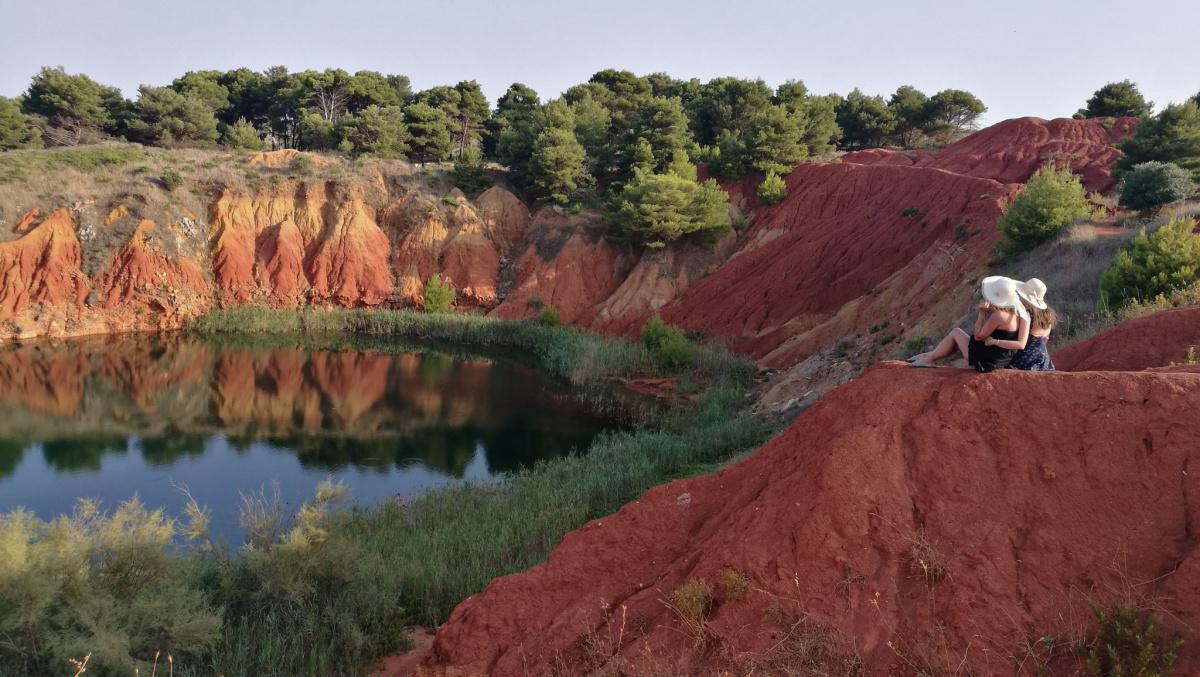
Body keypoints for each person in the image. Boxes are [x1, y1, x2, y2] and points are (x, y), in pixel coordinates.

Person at [908, 276, 1030, 372]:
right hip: (1002, 359)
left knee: (956, 332)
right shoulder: (1021, 313)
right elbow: (1020, 343)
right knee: (957, 339)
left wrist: (981, 314)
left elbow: (978, 336)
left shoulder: (999, 316)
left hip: (986, 361)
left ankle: (928, 360)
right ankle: (929, 355)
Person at [1006, 278, 1056, 371]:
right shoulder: (1048, 313)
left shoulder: (1026, 314)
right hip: (1043, 358)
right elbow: (1045, 338)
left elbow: (1021, 343)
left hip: (1025, 359)